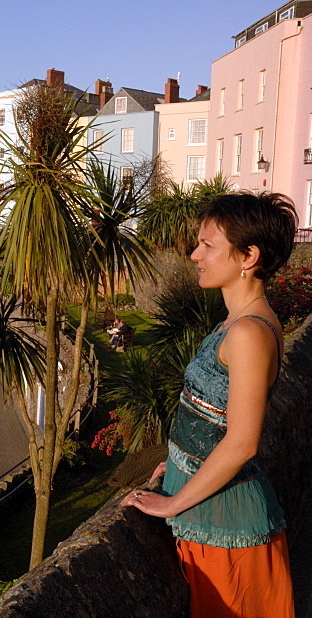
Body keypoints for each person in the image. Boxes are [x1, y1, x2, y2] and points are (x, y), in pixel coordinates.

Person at [122, 191, 297, 617]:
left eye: (208, 245)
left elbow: (242, 443)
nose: (195, 254)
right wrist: (181, 463)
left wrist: (171, 502)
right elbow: (213, 412)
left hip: (228, 529)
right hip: (211, 513)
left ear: (248, 256)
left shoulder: (249, 333)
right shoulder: (237, 322)